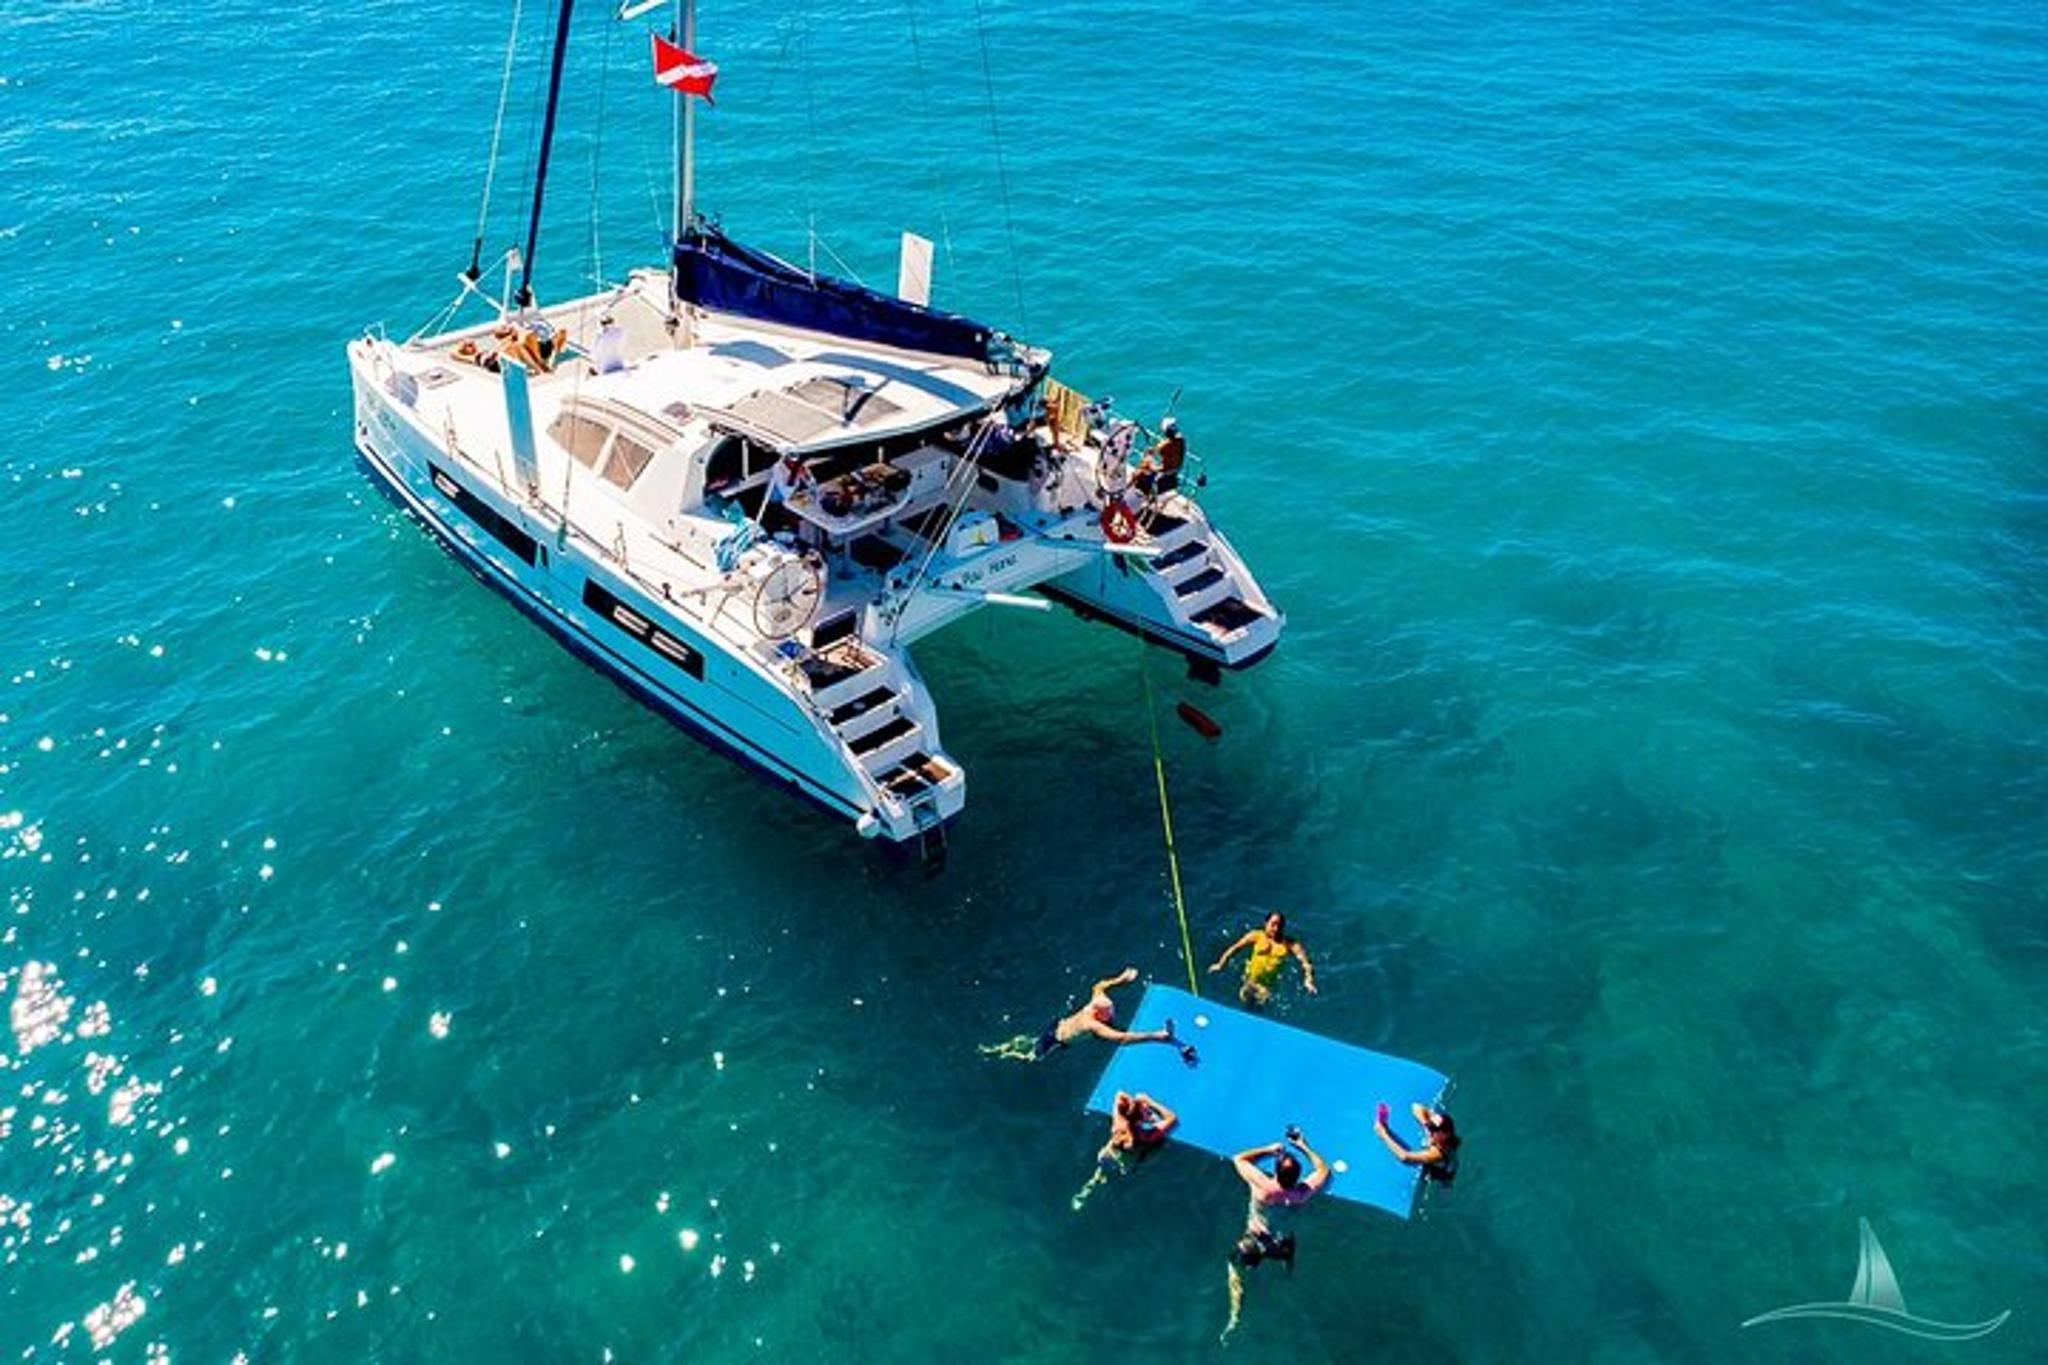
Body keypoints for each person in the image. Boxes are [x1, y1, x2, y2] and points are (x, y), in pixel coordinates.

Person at [1222, 1126, 1330, 1342]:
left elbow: (1239, 1159)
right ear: (1298, 1177)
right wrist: (1303, 1146)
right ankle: (1287, 1273)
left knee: (1234, 1268)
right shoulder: (1300, 1194)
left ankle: (1234, 1318)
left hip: (1255, 1240)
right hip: (1281, 1244)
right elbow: (1324, 1170)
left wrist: (1269, 1150)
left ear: (1276, 1172)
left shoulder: (1261, 1186)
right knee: (1289, 1255)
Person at [979, 967, 1196, 1064]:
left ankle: (1007, 1046)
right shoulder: (1093, 1025)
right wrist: (1158, 1035)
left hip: (1057, 1023)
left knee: (1030, 1040)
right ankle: (1001, 1053)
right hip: (1056, 1040)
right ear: (1099, 1016)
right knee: (1032, 1058)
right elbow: (1122, 1039)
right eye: (1109, 1015)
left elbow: (1099, 984)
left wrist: (1121, 979)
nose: (1111, 1015)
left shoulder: (1095, 1001)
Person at [1071, 1090, 1178, 1211]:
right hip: (1125, 1164)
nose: (1149, 1113)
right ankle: (1091, 1188)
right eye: (1147, 1112)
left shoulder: (1118, 1123)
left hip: (1105, 1156)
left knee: (1100, 1172)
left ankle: (1086, 1191)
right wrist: (1148, 1100)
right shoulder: (1144, 1137)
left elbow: (1119, 1094)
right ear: (1141, 1119)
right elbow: (1172, 1119)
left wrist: (1135, 1103)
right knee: (1153, 1150)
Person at [1209, 911, 1317, 1007]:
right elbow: (1234, 948)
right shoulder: (1256, 936)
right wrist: (1220, 964)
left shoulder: (1290, 944)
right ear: (1266, 923)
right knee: (1244, 1000)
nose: (1276, 929)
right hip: (1251, 979)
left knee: (1261, 1005)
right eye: (1273, 924)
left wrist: (1308, 980)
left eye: (1279, 926)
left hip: (1268, 985)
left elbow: (1305, 963)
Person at [1374, 1101, 1460, 1185]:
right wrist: (1425, 1125)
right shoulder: (1441, 1133)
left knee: (1416, 1162)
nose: (1431, 1132)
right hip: (1443, 1160)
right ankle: (1387, 1130)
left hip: (1439, 1174)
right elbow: (1415, 1107)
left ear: (1445, 1135)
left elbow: (1405, 1157)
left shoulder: (1436, 1154)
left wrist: (1383, 1136)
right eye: (1430, 1127)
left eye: (1434, 1130)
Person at [761, 450, 815, 532]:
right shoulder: (777, 468)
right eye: (792, 461)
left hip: (790, 497)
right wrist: (795, 472)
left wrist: (807, 475)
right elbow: (786, 492)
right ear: (786, 458)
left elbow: (813, 485)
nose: (794, 463)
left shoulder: (800, 466)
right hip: (775, 503)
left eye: (796, 461)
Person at [1134, 415, 1187, 497]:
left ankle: (1142, 493)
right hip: (1175, 471)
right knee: (1147, 463)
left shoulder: (1164, 446)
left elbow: (1154, 453)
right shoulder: (1181, 441)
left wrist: (1148, 456)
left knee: (1139, 471)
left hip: (1165, 472)